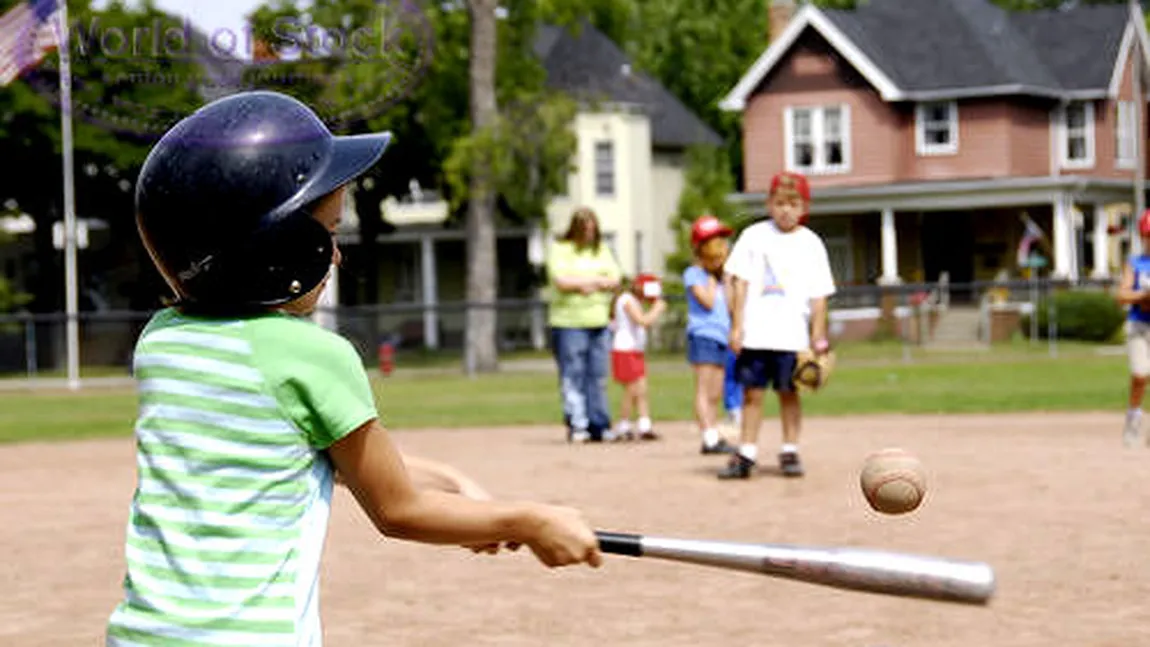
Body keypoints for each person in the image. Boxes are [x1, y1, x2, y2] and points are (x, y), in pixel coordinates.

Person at [105, 91, 602, 646]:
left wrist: (460, 488)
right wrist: (528, 520)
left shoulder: (163, 342)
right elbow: (397, 509)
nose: (337, 256)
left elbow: (297, 453)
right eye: (331, 234)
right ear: (278, 249)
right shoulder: (313, 355)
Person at [718, 171, 837, 480]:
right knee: (751, 394)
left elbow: (819, 296)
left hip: (792, 336)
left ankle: (789, 450)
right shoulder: (755, 236)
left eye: (793, 203)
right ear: (769, 204)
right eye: (780, 202)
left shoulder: (811, 243)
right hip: (756, 333)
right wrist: (736, 326)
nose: (786, 209)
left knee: (789, 393)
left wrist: (817, 337)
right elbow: (739, 282)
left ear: (804, 207)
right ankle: (747, 453)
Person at [546, 208, 623, 443]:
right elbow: (560, 281)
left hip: (599, 321)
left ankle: (599, 424)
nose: (589, 234)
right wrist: (595, 280)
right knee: (573, 375)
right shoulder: (561, 249)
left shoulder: (601, 250)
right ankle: (577, 424)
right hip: (569, 323)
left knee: (598, 376)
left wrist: (588, 283)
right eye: (585, 230)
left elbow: (615, 279)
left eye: (592, 229)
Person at [684, 215, 738, 455]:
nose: (721, 248)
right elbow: (705, 302)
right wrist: (712, 279)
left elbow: (732, 306)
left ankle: (713, 434)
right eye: (714, 243)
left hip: (721, 337)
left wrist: (726, 279)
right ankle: (708, 437)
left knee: (716, 392)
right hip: (703, 335)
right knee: (704, 390)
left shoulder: (722, 277)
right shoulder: (694, 274)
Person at [609, 273, 667, 441]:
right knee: (631, 390)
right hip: (625, 349)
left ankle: (644, 425)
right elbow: (642, 321)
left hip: (635, 350)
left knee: (642, 389)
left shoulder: (635, 301)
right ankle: (623, 425)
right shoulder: (627, 299)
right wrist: (657, 309)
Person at [1115, 209, 1150, 447]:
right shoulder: (1135, 263)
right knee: (1141, 373)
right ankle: (1134, 416)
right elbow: (1121, 295)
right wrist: (1143, 295)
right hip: (1139, 325)